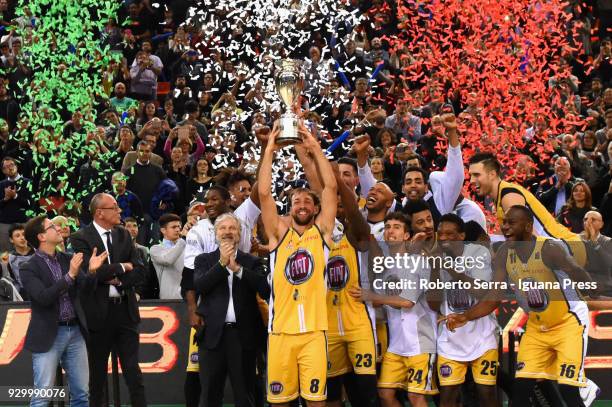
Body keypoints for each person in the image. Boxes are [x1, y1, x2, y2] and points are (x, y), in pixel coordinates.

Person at [443, 206, 597, 406]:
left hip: (568, 323)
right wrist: (466, 316)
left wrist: (579, 278)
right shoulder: (505, 253)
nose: (505, 227)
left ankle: (584, 385)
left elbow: (581, 275)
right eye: (504, 222)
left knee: (568, 389)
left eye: (511, 223)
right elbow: (493, 297)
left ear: (528, 226)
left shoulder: (549, 249)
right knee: (521, 390)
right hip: (536, 327)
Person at [258, 123, 337, 405]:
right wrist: (269, 150)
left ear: (315, 209)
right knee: (280, 403)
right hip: (280, 333)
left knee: (317, 402)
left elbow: (330, 187)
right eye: (296, 201)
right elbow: (264, 194)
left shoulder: (322, 233)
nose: (302, 204)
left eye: (307, 201)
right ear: (289, 209)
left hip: (315, 334)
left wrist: (315, 148)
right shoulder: (278, 235)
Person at [350, 212, 439, 407]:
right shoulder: (384, 267)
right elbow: (379, 303)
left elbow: (407, 302)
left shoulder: (417, 261)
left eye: (396, 227)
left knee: (416, 397)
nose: (390, 231)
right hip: (397, 344)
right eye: (387, 226)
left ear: (407, 235)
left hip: (421, 342)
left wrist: (371, 295)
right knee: (384, 394)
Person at [21, 215, 107, 407]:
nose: (59, 228)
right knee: (42, 395)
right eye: (52, 226)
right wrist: (70, 276)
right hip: (49, 334)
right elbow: (43, 297)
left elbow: (86, 290)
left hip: (76, 331)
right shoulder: (28, 267)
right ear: (41, 237)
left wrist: (92, 272)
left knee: (81, 394)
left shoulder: (68, 259)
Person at [70, 193, 147, 407]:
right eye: (114, 207)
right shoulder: (80, 237)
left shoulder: (123, 234)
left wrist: (120, 281)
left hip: (125, 311)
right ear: (99, 213)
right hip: (97, 315)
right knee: (97, 376)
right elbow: (89, 271)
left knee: (133, 372)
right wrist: (122, 267)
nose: (120, 211)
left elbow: (140, 271)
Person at [193, 212, 270, 407]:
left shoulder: (251, 261)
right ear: (215, 233)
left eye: (232, 228)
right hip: (212, 337)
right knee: (210, 395)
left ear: (239, 233)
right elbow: (200, 286)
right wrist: (221, 264)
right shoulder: (204, 260)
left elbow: (265, 288)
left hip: (244, 337)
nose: (227, 232)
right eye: (223, 228)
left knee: (245, 396)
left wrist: (238, 270)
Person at [427, 214, 499, 407]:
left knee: (487, 396)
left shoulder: (477, 252)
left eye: (449, 234)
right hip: (450, 340)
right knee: (448, 398)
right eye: (440, 234)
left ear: (461, 236)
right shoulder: (436, 257)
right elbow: (433, 305)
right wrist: (435, 269)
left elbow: (482, 291)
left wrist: (452, 271)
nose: (442, 238)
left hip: (483, 338)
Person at [468, 152, 587, 265]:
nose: (472, 180)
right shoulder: (502, 194)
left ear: (492, 174)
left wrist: (493, 254)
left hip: (564, 249)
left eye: (476, 175)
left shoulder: (508, 195)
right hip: (555, 248)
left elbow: (528, 238)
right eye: (470, 175)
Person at [325, 163, 378, 407]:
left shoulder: (355, 233)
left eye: (340, 203)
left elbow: (356, 216)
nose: (336, 207)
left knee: (365, 394)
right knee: (333, 395)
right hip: (328, 324)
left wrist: (338, 180)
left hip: (358, 322)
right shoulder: (317, 236)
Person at [0, 156, 32, 252]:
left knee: (26, 251)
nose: (10, 167)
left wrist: (15, 196)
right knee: (6, 253)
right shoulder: (1, 185)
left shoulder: (28, 182)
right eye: (6, 167)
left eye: (11, 165)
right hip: (5, 224)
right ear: (3, 171)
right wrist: (6, 199)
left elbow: (30, 204)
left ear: (16, 166)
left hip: (23, 223)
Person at [150, 213, 185, 299]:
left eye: (179, 227)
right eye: (173, 227)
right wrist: (183, 239)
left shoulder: (185, 246)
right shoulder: (155, 249)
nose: (177, 229)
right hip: (168, 299)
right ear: (163, 230)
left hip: (188, 298)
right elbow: (168, 260)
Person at [581, 210, 612, 295]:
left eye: (593, 220)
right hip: (582, 287)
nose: (588, 222)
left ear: (601, 224)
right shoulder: (576, 240)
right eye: (586, 219)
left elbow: (608, 264)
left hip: (604, 288)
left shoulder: (608, 241)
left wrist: (594, 242)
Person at [7, 223, 33, 294]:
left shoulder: (37, 253)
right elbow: (13, 280)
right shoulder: (10, 259)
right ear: (11, 240)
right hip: (21, 296)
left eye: (24, 234)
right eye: (17, 236)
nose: (22, 238)